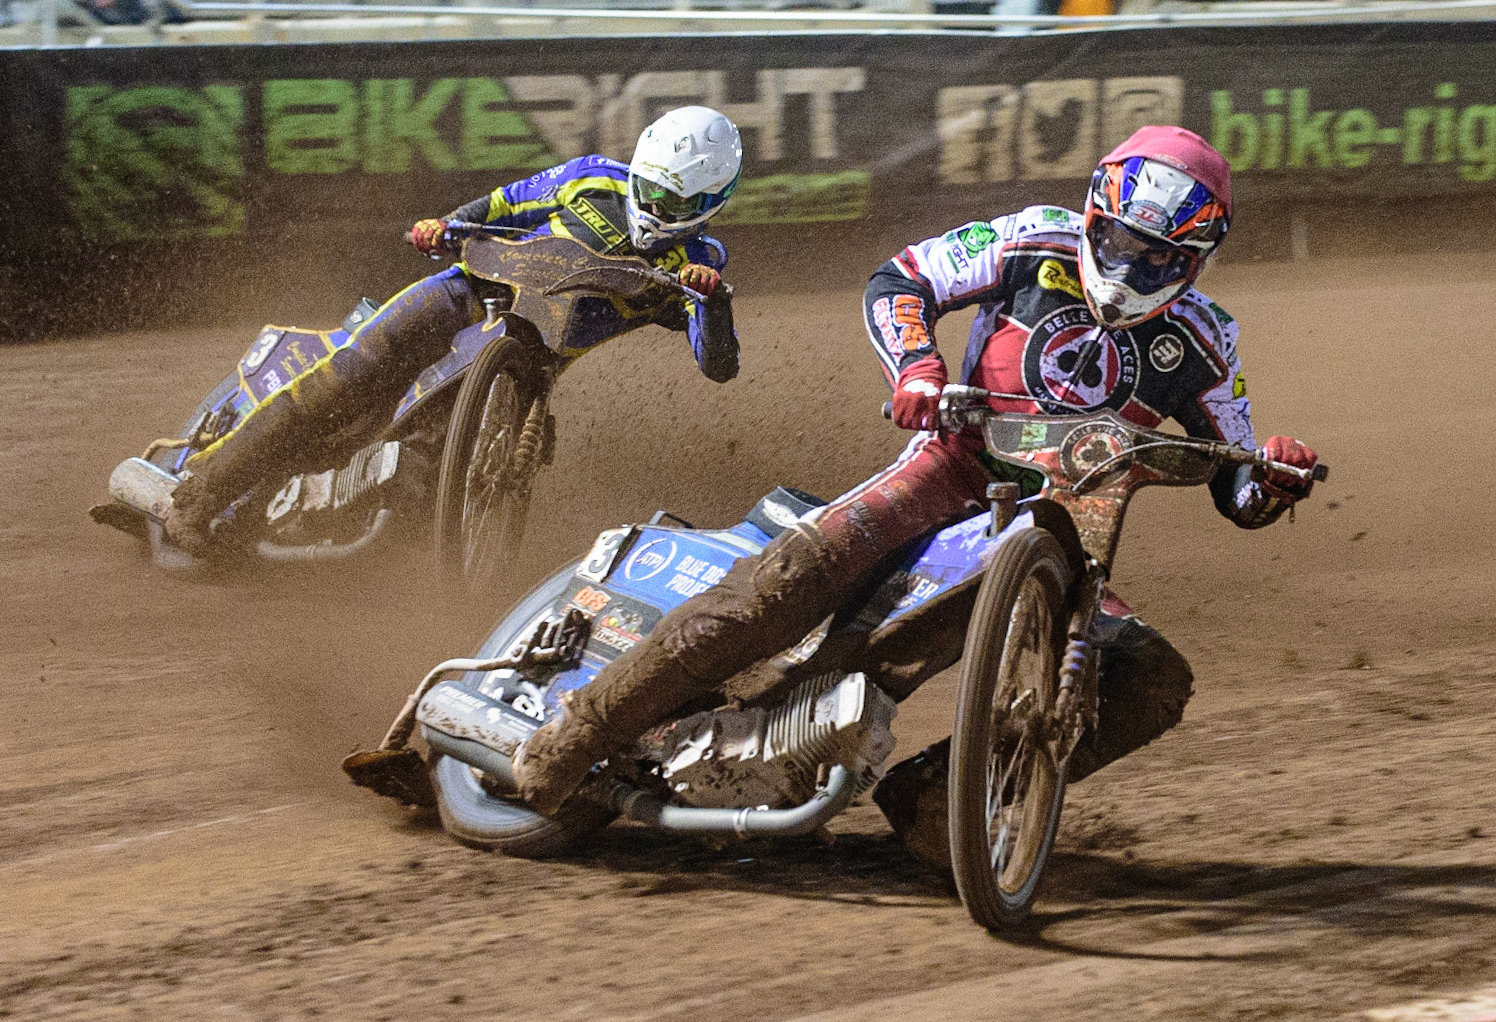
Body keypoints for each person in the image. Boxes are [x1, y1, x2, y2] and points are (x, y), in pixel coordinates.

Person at [509, 125, 1321, 866]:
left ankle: (939, 804)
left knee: (1150, 681)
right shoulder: (1028, 238)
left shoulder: (1208, 341)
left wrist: (1272, 476)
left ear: (1196, 260)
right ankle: (573, 735)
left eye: (1159, 260)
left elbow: (1235, 481)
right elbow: (902, 277)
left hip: (1076, 527)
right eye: (1118, 241)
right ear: (1093, 215)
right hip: (952, 466)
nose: (1131, 267)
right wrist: (919, 371)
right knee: (784, 585)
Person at [165, 106, 744, 554]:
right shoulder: (591, 177)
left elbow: (718, 364)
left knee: (445, 473)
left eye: (672, 200)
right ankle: (197, 495)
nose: (654, 203)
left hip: (531, 368)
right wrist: (444, 226)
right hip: (463, 294)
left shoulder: (701, 260)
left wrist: (712, 300)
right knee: (344, 380)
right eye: (649, 185)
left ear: (707, 202)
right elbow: (502, 203)